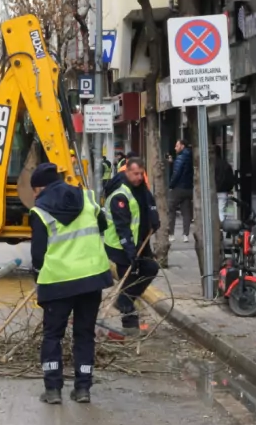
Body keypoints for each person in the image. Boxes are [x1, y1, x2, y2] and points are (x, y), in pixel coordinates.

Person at [28, 163, 113, 404]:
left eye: (35, 191)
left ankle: (53, 389)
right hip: (91, 279)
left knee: (53, 335)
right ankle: (83, 388)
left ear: (40, 188)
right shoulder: (87, 198)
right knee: (85, 334)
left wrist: (38, 275)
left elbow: (37, 255)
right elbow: (103, 225)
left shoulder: (40, 211)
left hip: (58, 283)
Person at [103, 157, 160, 336]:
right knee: (128, 282)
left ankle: (124, 304)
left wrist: (154, 219)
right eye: (135, 174)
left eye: (141, 174)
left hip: (137, 243)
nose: (139, 177)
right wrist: (130, 253)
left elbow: (148, 203)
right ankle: (130, 325)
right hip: (120, 247)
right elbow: (123, 228)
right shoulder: (120, 195)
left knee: (149, 269)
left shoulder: (138, 188)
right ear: (127, 172)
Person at [167, 139, 193, 242]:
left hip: (178, 188)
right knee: (186, 212)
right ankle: (185, 235)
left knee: (171, 209)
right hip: (188, 188)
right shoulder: (190, 156)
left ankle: (171, 234)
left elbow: (177, 173)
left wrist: (171, 185)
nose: (175, 148)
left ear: (182, 146)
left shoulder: (180, 157)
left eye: (177, 146)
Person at [213, 145, 238, 223]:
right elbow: (230, 178)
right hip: (223, 191)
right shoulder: (225, 164)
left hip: (212, 191)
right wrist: (228, 189)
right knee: (222, 210)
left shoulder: (210, 164)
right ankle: (221, 228)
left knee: (212, 211)